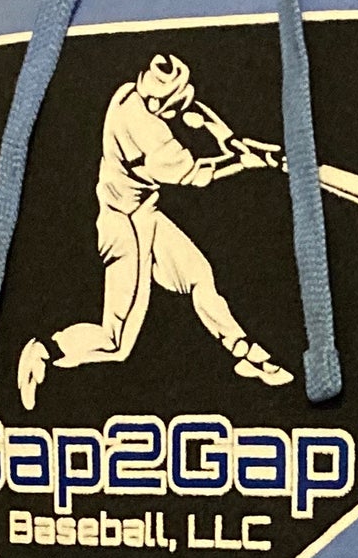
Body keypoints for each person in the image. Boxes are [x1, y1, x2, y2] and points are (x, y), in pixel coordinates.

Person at [15, 50, 294, 405]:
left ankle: (245, 353)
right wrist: (244, 162)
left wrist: (231, 140)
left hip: (144, 214)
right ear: (155, 102)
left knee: (198, 276)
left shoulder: (129, 92)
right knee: (115, 343)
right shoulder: (147, 133)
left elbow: (192, 110)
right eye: (172, 103)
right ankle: (44, 351)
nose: (180, 108)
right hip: (125, 229)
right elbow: (196, 175)